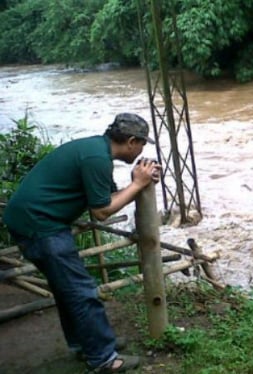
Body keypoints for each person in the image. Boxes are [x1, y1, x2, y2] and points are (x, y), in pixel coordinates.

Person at [2, 113, 161, 373]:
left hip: (31, 219)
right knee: (81, 291)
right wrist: (139, 183)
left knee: (67, 290)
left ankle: (86, 344)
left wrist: (136, 183)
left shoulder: (95, 150)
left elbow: (109, 195)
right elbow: (102, 211)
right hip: (41, 226)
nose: (142, 149)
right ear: (132, 141)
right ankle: (104, 359)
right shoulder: (97, 159)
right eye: (142, 144)